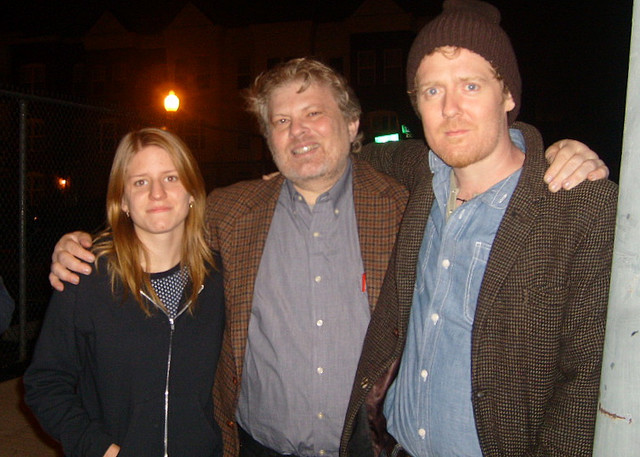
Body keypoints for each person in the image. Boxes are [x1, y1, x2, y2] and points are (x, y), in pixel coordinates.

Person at [48, 59, 609, 457]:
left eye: (314, 114)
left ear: (353, 124)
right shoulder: (231, 211)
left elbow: (475, 157)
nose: (299, 133)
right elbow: (159, 222)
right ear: (267, 137)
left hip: (366, 445)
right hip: (256, 447)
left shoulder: (407, 205)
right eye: (281, 121)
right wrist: (83, 244)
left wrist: (549, 149)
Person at [341, 1, 617, 456]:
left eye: (471, 85)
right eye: (432, 91)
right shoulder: (424, 173)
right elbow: (369, 156)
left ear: (507, 96)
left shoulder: (581, 207)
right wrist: (306, 169)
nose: (450, 109)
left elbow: (587, 385)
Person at [24, 128, 225, 457]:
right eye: (141, 182)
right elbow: (45, 382)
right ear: (122, 201)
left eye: (171, 178)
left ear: (192, 192)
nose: (157, 193)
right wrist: (101, 449)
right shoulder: (87, 277)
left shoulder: (219, 278)